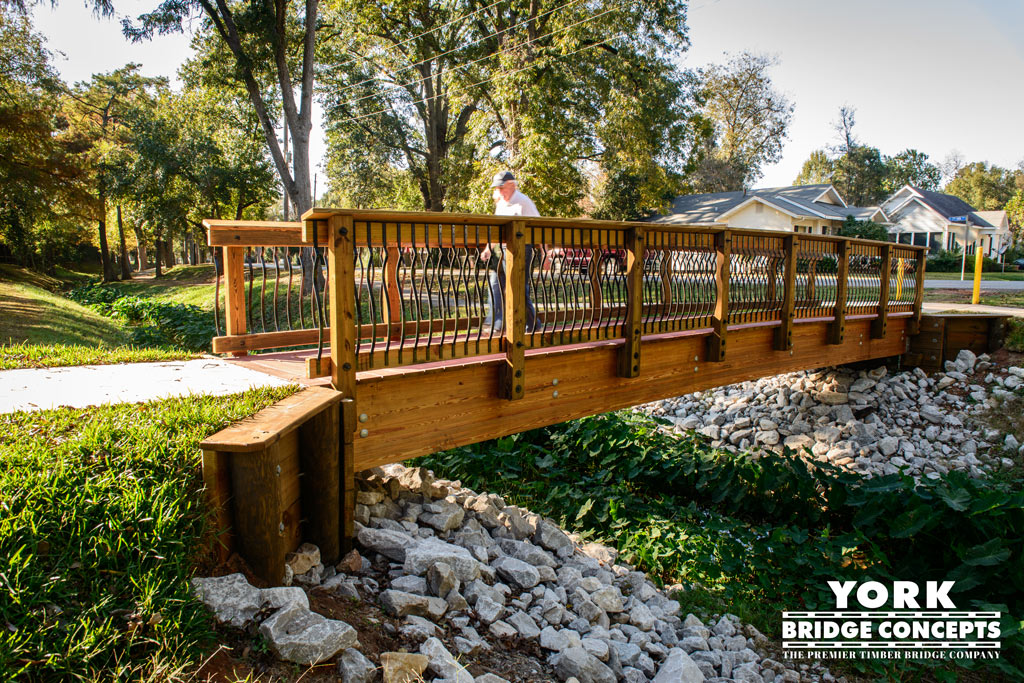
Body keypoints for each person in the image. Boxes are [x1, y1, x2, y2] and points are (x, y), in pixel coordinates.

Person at [482, 171, 538, 333]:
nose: (499, 191)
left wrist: (546, 253)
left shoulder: (523, 202)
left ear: (512, 185)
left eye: (502, 187)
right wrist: (488, 248)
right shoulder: (501, 203)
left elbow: (539, 226)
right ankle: (495, 324)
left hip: (521, 249)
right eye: (497, 188)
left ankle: (531, 324)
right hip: (501, 250)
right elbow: (497, 230)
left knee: (518, 287)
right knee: (494, 285)